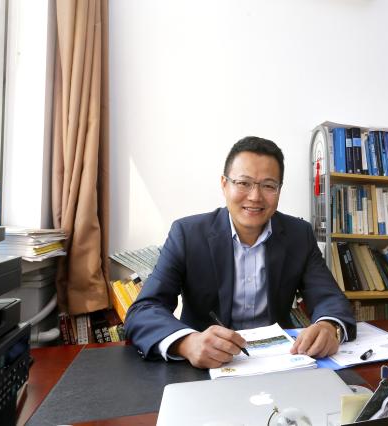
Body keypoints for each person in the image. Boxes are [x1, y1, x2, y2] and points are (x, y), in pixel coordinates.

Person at [124, 136, 356, 368]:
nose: (255, 197)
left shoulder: (299, 234)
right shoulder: (188, 234)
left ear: (279, 190)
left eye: (268, 185)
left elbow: (329, 298)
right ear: (224, 184)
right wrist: (187, 343)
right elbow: (144, 310)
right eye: (243, 183)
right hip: (207, 366)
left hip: (280, 361)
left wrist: (329, 327)